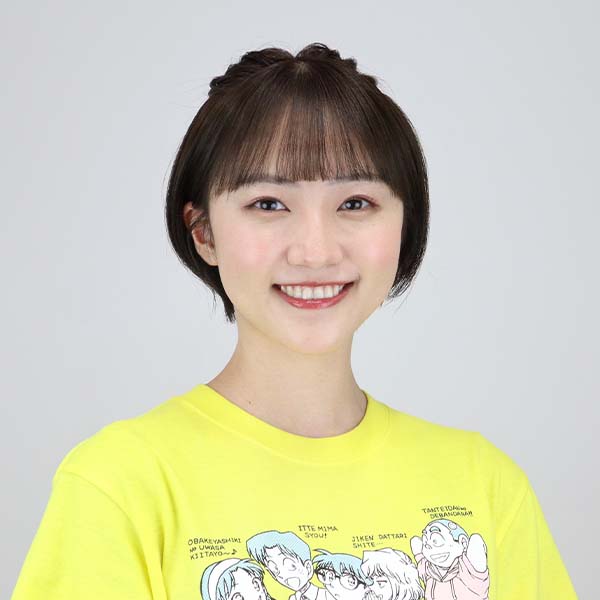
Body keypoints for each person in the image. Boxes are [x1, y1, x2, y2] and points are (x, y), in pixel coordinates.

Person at [11, 42, 577, 599]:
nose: (315, 252)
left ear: (405, 225)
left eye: (355, 203)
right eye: (268, 204)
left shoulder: (484, 485)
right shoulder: (120, 485)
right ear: (204, 232)